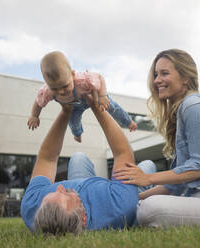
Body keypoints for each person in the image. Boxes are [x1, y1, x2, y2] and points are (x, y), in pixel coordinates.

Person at [114, 49, 200, 227]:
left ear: (185, 77)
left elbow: (199, 169)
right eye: (156, 74)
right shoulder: (183, 109)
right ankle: (129, 212)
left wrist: (148, 179)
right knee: (141, 203)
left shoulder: (194, 106)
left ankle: (129, 216)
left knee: (148, 209)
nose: (157, 80)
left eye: (164, 73)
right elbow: (176, 185)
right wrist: (135, 197)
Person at [20, 97, 155, 236]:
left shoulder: (32, 205)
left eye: (52, 195)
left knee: (78, 157)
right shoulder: (118, 206)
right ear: (83, 218)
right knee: (147, 165)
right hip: (110, 195)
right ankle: (133, 191)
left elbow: (47, 159)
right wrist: (96, 105)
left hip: (88, 187)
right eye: (65, 195)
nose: (60, 188)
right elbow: (122, 153)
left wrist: (66, 111)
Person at [27, 51, 137, 143]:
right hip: (74, 106)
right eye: (55, 88)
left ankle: (128, 122)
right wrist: (34, 116)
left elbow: (99, 77)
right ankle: (78, 134)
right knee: (73, 122)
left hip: (93, 96)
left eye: (65, 86)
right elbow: (38, 103)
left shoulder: (82, 80)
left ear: (73, 75)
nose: (61, 92)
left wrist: (102, 96)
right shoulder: (47, 91)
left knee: (112, 106)